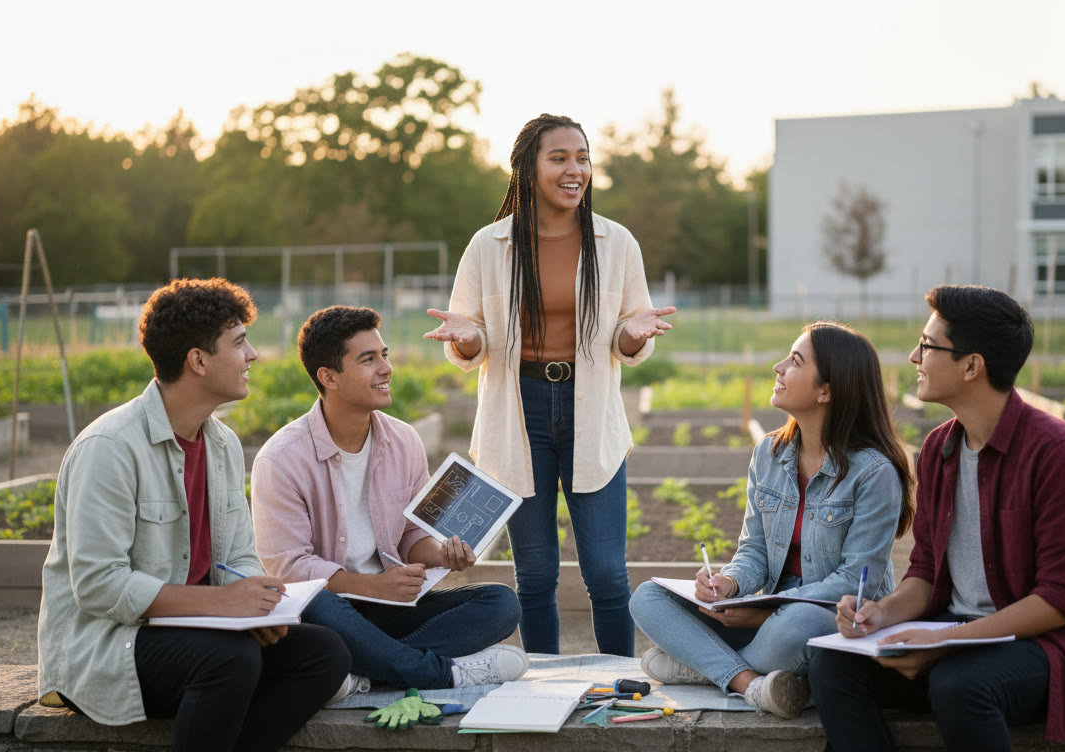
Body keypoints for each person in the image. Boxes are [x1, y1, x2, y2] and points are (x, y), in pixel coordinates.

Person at [36, 278, 350, 752]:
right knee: (230, 660)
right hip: (110, 646)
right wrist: (223, 603)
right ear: (198, 361)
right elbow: (98, 586)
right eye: (240, 343)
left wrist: (257, 607)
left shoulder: (221, 444)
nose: (253, 356)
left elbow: (238, 556)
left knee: (325, 653)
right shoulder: (109, 448)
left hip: (196, 631)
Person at [810, 285, 1065, 752]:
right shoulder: (938, 448)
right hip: (956, 635)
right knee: (833, 664)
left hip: (1042, 650)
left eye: (927, 347)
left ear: (972, 366)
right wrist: (879, 616)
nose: (914, 356)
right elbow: (925, 570)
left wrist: (945, 643)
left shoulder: (1059, 454)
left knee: (959, 684)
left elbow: (1061, 599)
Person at [424, 113, 675, 656]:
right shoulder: (489, 246)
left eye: (582, 158)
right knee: (535, 575)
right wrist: (468, 339)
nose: (574, 169)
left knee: (607, 575)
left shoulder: (617, 242)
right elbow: (466, 343)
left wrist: (632, 334)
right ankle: (543, 685)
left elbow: (632, 341)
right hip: (521, 411)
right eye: (559, 157)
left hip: (592, 414)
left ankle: (616, 684)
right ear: (527, 168)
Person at [629, 321, 914, 718]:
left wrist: (763, 613)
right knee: (648, 596)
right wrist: (728, 583)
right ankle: (749, 682)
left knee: (793, 625)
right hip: (766, 617)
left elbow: (852, 582)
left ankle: (701, 666)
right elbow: (756, 550)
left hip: (826, 617)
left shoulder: (873, 473)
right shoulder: (768, 453)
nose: (778, 367)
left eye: (795, 361)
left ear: (826, 390)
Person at [251, 305, 527, 693]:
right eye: (368, 359)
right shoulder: (280, 459)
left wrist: (442, 553)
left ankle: (362, 674)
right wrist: (374, 587)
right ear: (328, 377)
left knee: (501, 604)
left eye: (385, 355)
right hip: (328, 615)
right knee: (319, 603)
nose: (386, 368)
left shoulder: (403, 440)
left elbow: (411, 537)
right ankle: (439, 674)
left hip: (390, 611)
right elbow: (290, 570)